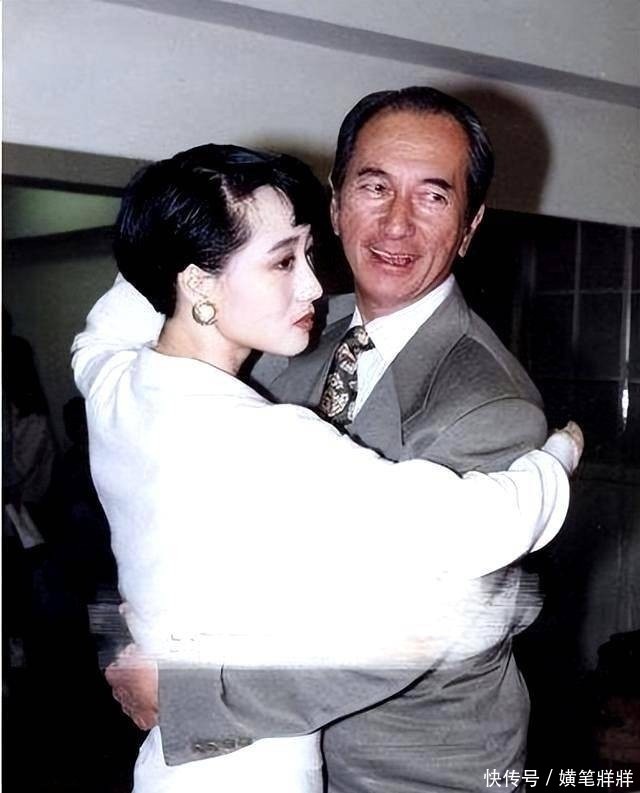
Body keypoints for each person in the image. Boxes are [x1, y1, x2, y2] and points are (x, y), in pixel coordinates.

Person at [77, 143, 580, 793]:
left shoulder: (113, 381)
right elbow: (477, 526)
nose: (315, 285)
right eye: (283, 260)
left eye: (308, 253)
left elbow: (107, 323)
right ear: (197, 279)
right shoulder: (260, 435)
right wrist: (557, 458)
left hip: (170, 764)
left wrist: (196, 212)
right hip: (259, 768)